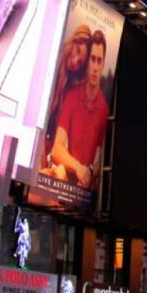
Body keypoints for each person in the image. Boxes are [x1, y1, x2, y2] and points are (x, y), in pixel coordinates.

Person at [50, 30, 109, 189]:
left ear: (103, 64)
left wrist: (91, 173)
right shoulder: (72, 96)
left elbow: (103, 157)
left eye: (99, 61)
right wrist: (78, 168)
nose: (95, 67)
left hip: (85, 193)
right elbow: (57, 148)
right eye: (92, 60)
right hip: (63, 184)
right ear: (87, 63)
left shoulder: (104, 109)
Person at [43, 24, 91, 159]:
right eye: (77, 50)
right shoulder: (53, 56)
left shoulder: (69, 85)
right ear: (74, 42)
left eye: (80, 62)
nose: (75, 61)